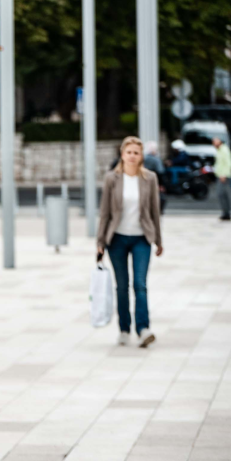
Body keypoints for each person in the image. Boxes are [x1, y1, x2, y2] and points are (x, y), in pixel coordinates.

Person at [96, 136, 163, 348]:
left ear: (141, 155)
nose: (132, 156)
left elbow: (154, 211)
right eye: (129, 152)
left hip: (142, 238)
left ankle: (143, 329)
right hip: (116, 239)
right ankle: (124, 329)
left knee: (140, 285)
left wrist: (158, 240)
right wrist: (100, 242)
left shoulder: (149, 178)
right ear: (122, 155)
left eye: (136, 152)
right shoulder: (111, 179)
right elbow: (104, 213)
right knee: (122, 286)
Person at [143, 140, 167, 213]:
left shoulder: (143, 159)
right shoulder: (156, 160)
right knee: (160, 198)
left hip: (144, 180)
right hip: (155, 181)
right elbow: (160, 172)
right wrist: (161, 185)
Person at [213, 136, 231, 220]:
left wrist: (224, 175)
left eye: (215, 142)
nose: (213, 144)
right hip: (220, 175)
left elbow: (229, 163)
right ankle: (226, 213)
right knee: (223, 194)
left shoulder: (224, 150)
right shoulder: (219, 150)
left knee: (221, 193)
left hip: (223, 175)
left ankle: (226, 213)